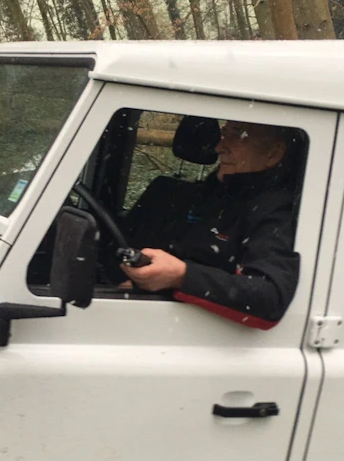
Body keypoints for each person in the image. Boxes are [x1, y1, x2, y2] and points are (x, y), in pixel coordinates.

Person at [120, 120, 300, 330]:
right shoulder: (213, 195)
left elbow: (269, 297)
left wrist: (181, 276)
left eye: (237, 135)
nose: (219, 146)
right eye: (224, 133)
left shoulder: (276, 211)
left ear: (273, 153)